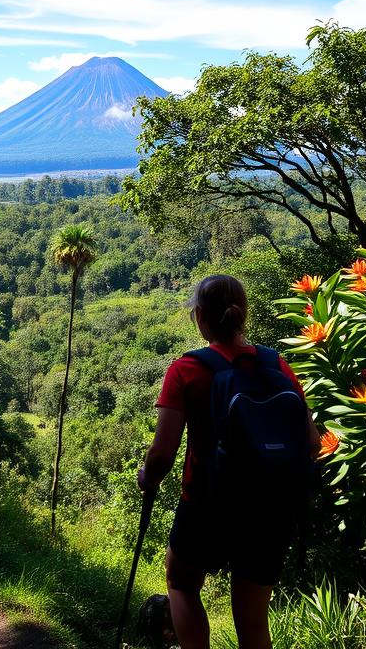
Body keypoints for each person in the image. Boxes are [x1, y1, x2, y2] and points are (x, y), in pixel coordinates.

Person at [137, 274, 320, 649]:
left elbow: (162, 453)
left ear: (200, 316)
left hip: (207, 505)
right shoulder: (277, 366)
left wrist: (148, 478)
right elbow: (313, 443)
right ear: (242, 315)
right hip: (271, 510)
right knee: (253, 622)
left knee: (182, 585)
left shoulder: (187, 370)